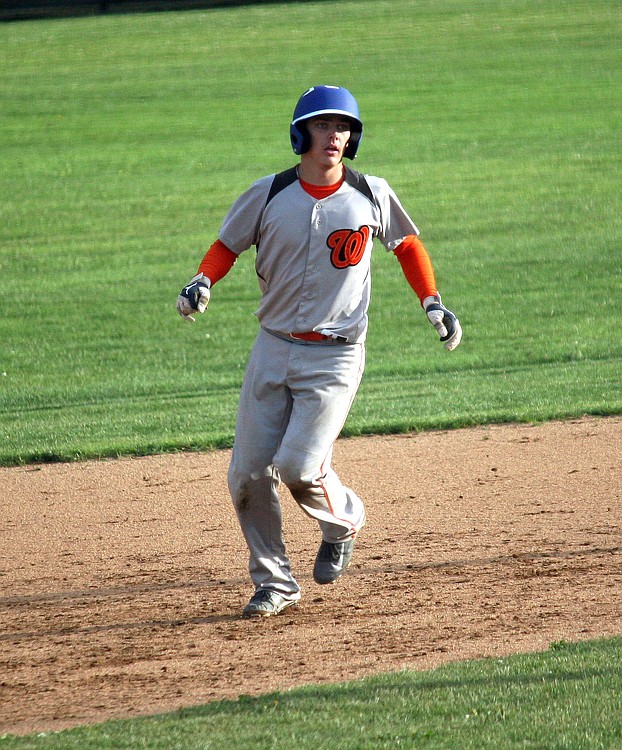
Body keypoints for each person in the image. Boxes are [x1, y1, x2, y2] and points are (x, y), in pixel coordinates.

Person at [176, 85, 462, 618]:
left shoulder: (371, 194)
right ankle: (275, 583)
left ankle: (345, 519)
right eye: (324, 125)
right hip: (272, 348)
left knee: (301, 468)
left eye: (344, 127)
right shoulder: (269, 193)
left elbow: (408, 246)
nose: (336, 135)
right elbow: (226, 246)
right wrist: (202, 281)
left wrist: (433, 302)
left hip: (334, 357)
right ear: (300, 133)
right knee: (247, 473)